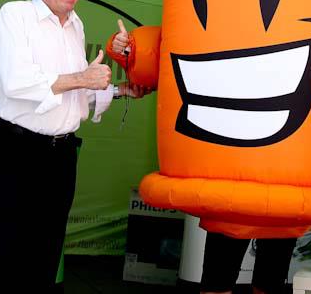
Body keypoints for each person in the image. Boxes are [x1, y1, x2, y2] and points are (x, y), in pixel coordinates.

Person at [0, 0, 148, 287]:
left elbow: (74, 91)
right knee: (6, 250)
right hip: (16, 148)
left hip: (62, 154)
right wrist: (83, 77)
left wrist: (119, 90)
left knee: (47, 249)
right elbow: (15, 82)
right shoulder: (15, 15)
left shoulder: (75, 25)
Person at [109, 31, 295, 294]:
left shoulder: (296, 27)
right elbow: (159, 48)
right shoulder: (223, 23)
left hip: (282, 174)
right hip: (233, 174)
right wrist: (124, 48)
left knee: (270, 277)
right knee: (220, 275)